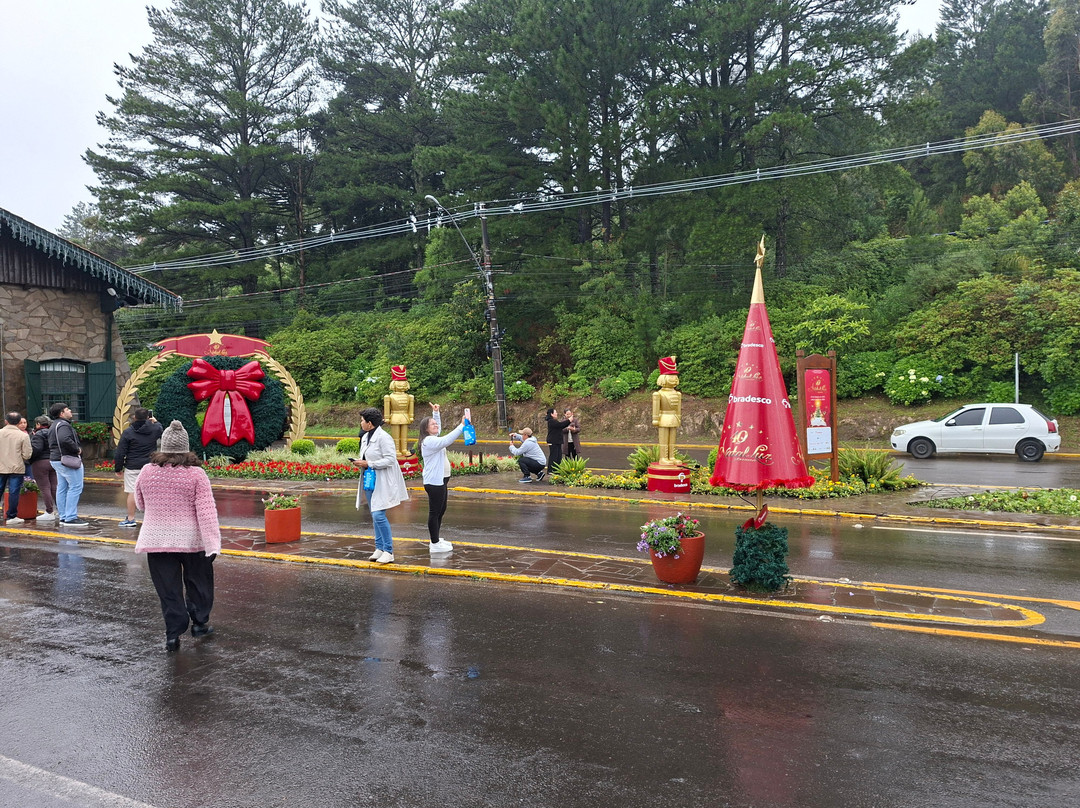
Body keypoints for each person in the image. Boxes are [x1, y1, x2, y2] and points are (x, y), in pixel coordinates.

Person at [134, 420, 221, 652]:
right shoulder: (196, 474)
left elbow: (140, 503)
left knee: (168, 589)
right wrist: (213, 544)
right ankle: (200, 623)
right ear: (186, 448)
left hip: (156, 539)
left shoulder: (147, 471)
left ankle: (173, 634)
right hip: (192, 540)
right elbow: (206, 512)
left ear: (163, 448)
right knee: (199, 582)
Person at [354, 407, 409, 564]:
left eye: (362, 420)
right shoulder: (365, 437)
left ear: (370, 423)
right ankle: (379, 548)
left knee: (378, 514)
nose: (361, 423)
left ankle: (389, 550)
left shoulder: (384, 438)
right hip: (370, 480)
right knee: (374, 514)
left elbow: (390, 459)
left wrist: (369, 463)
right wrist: (360, 463)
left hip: (383, 480)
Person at [414, 403, 464, 554]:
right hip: (434, 482)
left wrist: (436, 414)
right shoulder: (429, 441)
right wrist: (461, 426)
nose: (436, 426)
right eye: (432, 424)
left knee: (441, 510)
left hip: (441, 480)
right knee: (435, 512)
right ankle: (434, 544)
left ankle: (436, 538)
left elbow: (439, 431)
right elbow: (445, 440)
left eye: (435, 423)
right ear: (425, 429)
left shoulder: (432, 437)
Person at [114, 407, 163, 527]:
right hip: (150, 465)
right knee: (150, 492)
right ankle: (153, 519)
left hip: (132, 465)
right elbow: (161, 430)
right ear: (148, 417)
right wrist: (155, 422)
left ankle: (131, 519)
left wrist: (118, 468)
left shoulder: (128, 432)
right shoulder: (155, 428)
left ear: (135, 417)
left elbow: (120, 452)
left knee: (132, 492)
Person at [47, 402, 88, 528]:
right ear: (61, 413)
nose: (70, 411)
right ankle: (70, 517)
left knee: (62, 487)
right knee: (75, 487)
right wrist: (77, 449)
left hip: (56, 459)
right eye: (67, 409)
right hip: (67, 459)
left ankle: (64, 516)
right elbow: (64, 439)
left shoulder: (54, 425)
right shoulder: (64, 425)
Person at [1, 412, 32, 525]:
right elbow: (27, 455)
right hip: (16, 467)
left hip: (1, 466)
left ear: (6, 421)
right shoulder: (23, 435)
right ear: (18, 422)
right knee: (14, 492)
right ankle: (11, 516)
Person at [29, 415, 58, 522]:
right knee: (54, 487)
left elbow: (36, 449)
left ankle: (49, 511)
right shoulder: (53, 432)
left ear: (38, 424)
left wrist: (29, 458)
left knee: (45, 487)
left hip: (40, 462)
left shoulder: (38, 434)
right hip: (53, 461)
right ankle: (61, 509)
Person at [544, 407, 572, 477]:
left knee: (558, 456)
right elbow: (560, 425)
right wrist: (569, 420)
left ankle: (556, 469)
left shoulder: (554, 420)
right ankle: (550, 470)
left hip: (557, 441)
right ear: (552, 414)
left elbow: (560, 425)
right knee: (553, 456)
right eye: (555, 412)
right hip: (553, 441)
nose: (557, 413)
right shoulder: (551, 421)